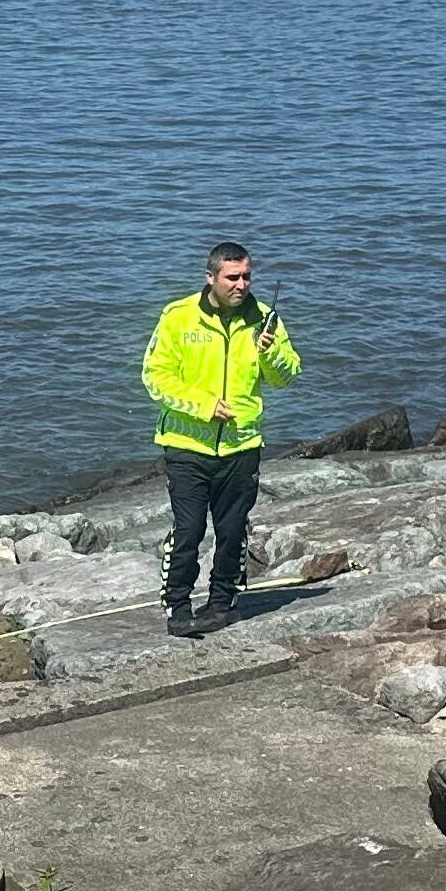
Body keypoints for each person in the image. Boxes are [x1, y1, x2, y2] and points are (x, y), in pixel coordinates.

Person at [143, 240, 304, 637]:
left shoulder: (265, 319)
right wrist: (203, 405)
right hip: (186, 446)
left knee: (232, 530)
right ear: (211, 278)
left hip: (242, 446)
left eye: (247, 276)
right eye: (233, 277)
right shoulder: (178, 317)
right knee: (190, 528)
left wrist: (268, 353)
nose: (242, 285)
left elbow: (287, 377)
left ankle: (222, 602)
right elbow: (154, 376)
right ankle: (177, 606)